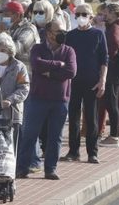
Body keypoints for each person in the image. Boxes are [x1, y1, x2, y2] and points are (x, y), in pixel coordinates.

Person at [16, 21, 77, 180]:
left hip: (60, 101)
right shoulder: (37, 48)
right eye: (58, 31)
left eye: (63, 30)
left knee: (55, 136)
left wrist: (51, 73)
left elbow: (71, 71)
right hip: (38, 99)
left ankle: (50, 169)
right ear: (49, 33)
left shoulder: (69, 50)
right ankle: (22, 168)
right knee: (30, 134)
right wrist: (58, 65)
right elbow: (37, 65)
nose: (62, 34)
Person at [62, 3, 107, 163]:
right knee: (73, 117)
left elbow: (104, 60)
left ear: (91, 17)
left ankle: (92, 152)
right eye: (78, 14)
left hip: (92, 82)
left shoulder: (98, 35)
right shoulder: (70, 35)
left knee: (91, 118)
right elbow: (64, 58)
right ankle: (73, 151)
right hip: (73, 82)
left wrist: (102, 80)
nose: (81, 17)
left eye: (85, 14)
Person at [0, 33, 30, 146]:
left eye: (3, 50)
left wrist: (10, 100)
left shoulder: (19, 67)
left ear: (10, 52)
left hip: (11, 115)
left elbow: (24, 87)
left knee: (9, 148)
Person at [98, 3, 119, 147]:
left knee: (111, 103)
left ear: (113, 13)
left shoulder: (115, 28)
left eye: (105, 13)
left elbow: (111, 46)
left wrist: (103, 57)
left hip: (113, 71)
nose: (103, 15)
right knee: (113, 103)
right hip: (117, 71)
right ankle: (116, 134)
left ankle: (114, 135)